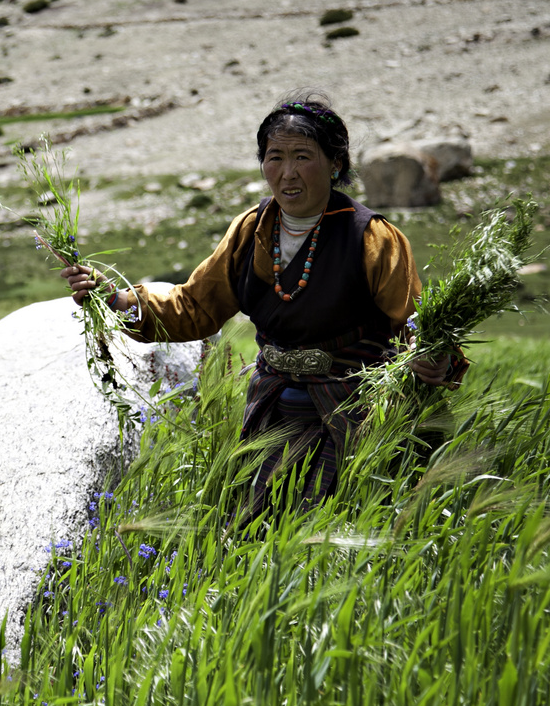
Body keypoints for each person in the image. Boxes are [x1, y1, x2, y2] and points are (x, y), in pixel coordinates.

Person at [60, 90, 464, 516]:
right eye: (275, 157)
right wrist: (117, 300)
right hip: (274, 411)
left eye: (303, 157)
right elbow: (195, 306)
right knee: (258, 533)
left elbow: (419, 323)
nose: (287, 173)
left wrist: (436, 359)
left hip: (356, 411)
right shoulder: (250, 230)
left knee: (352, 522)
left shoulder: (373, 238)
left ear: (336, 164)